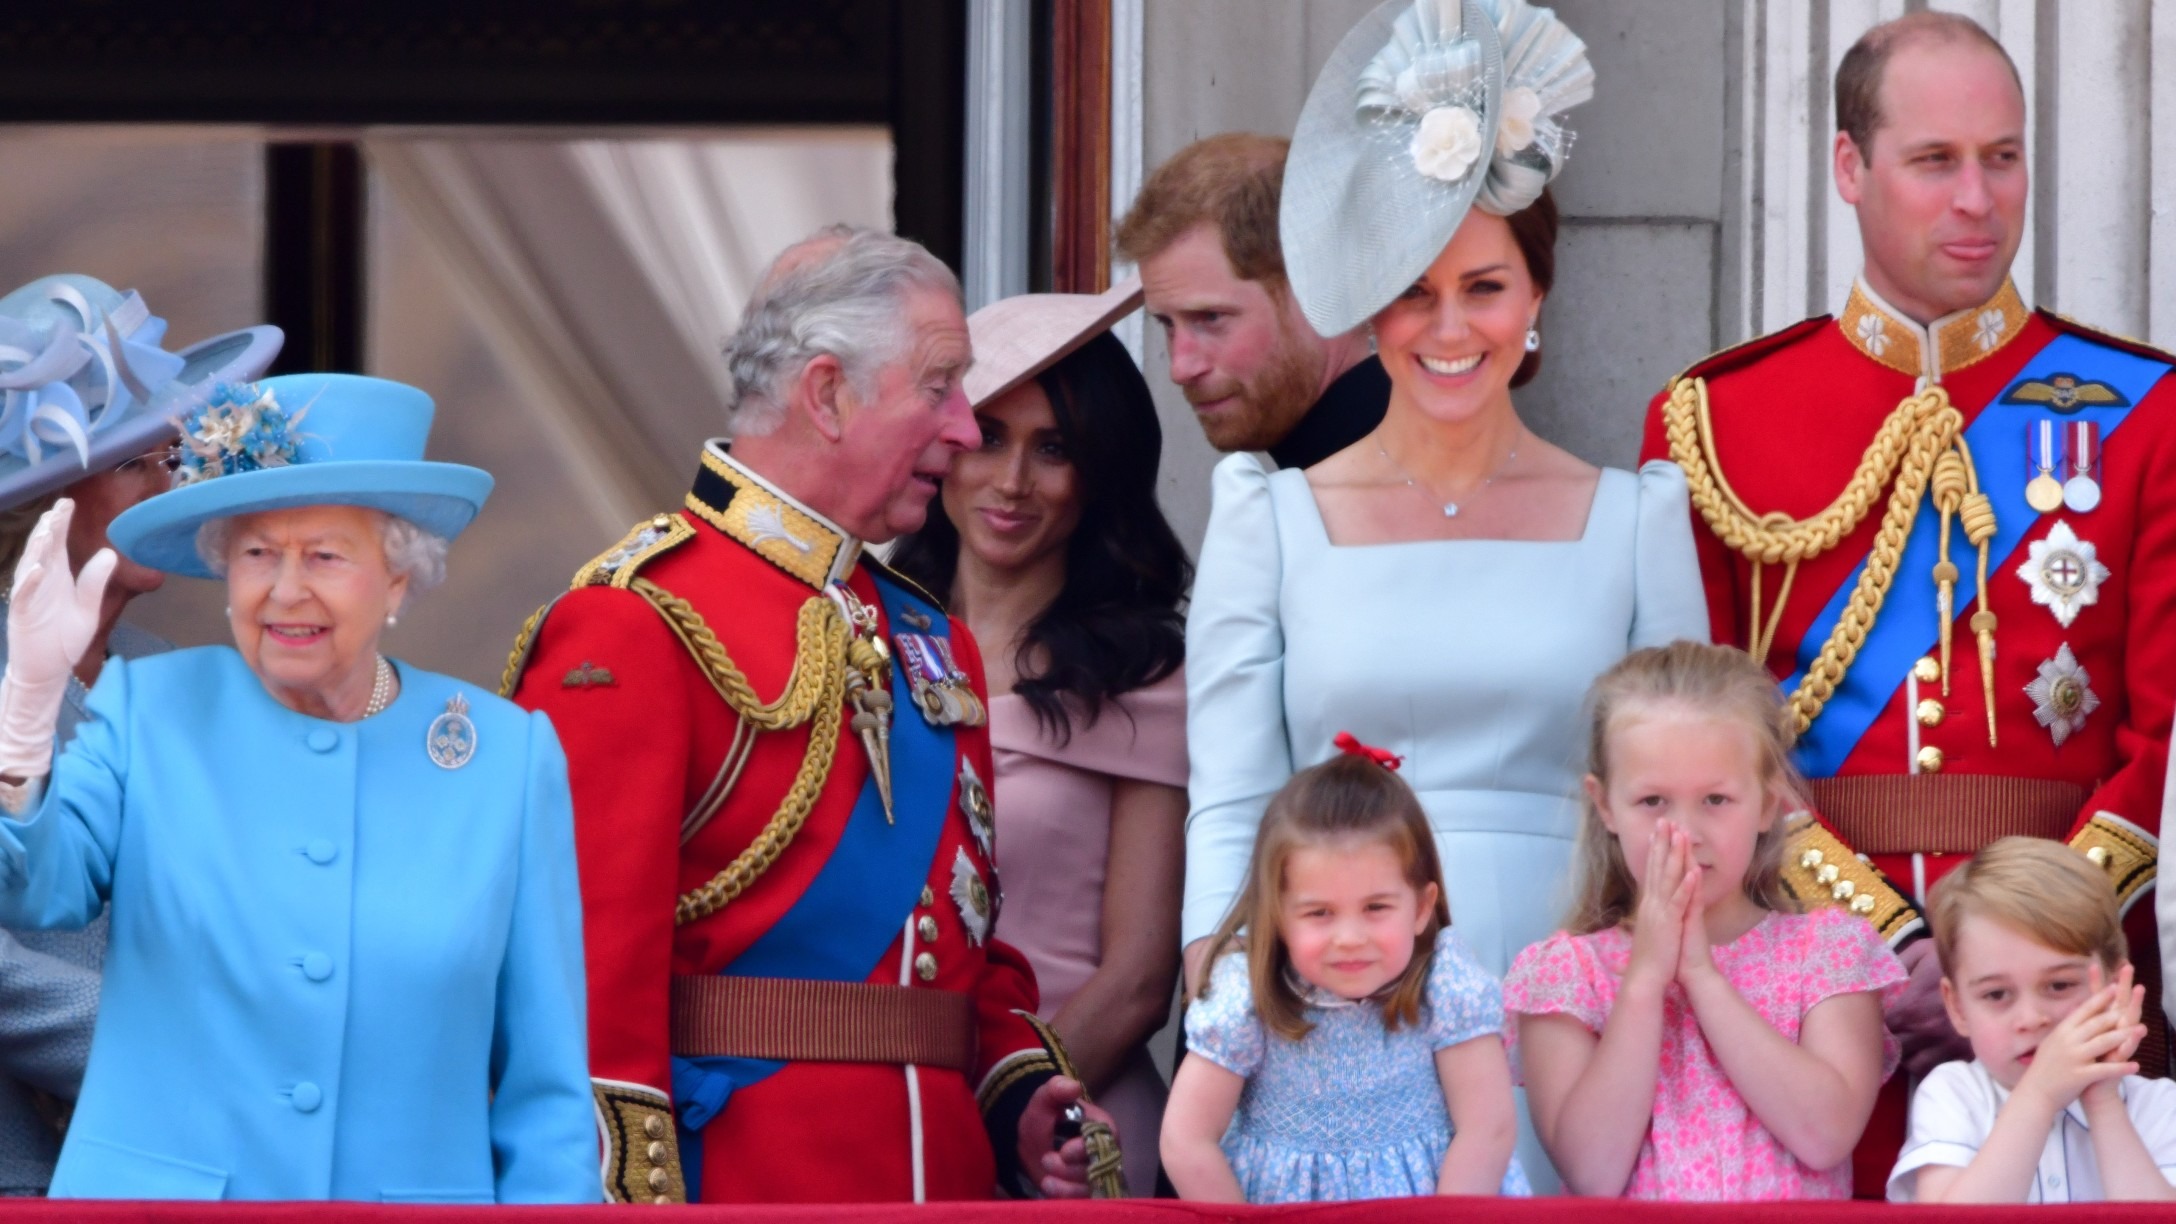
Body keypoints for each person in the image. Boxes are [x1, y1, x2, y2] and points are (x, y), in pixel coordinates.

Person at [1636, 10, 2176, 1189]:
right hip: (1812, 986)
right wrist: (1884, 948)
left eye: (2003, 155)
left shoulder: (2144, 410)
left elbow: (2152, 737)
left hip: (2066, 994)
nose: (1978, 198)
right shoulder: (1718, 421)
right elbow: (1704, 740)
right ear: (1848, 167)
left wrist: (2026, 955)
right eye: (1935, 161)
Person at [1181, 0, 1706, 1187]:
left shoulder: (1636, 520)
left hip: (1577, 995)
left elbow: (1676, 804)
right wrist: (1230, 995)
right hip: (1332, 1008)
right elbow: (1227, 802)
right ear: (1371, 310)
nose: (1449, 326)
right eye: (1413, 292)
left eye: (1484, 287)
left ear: (1535, 302)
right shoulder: (1270, 517)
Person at [505, 226, 1114, 1204]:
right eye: (939, 386)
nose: (964, 427)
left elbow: (956, 940)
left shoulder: (932, 641)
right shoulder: (638, 621)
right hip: (751, 1187)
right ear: (828, 393)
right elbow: (580, 978)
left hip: (945, 1184)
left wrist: (1016, 1091)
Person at [0, 373, 598, 1202]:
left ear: (398, 578)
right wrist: (27, 712)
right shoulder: (152, 710)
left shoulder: (504, 758)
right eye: (257, 554)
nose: (285, 590)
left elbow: (547, 1094)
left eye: (323, 555)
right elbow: (35, 889)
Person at [889, 280, 1189, 1197]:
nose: (1013, 482)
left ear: (1098, 476)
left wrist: (1010, 1111)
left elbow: (1141, 978)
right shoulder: (866, 644)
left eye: (1054, 449)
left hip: (1072, 1143)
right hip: (898, 1127)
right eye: (989, 436)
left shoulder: (1149, 677)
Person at [0, 273, 280, 1195]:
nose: (171, 488)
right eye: (137, 466)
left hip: (164, 1174)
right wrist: (158, 1056)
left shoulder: (159, 674)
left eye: (169, 458)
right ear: (43, 500)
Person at [1506, 641, 1907, 1200]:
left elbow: (1825, 1135)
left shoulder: (1828, 952)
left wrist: (1702, 976)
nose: (1685, 833)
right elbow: (1592, 1172)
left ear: (1768, 804)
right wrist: (1645, 979)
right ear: (1604, 806)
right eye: (1652, 802)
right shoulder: (1567, 974)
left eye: (1716, 800)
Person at [1162, 740, 1524, 1203]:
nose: (1350, 937)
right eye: (1319, 913)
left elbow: (1486, 1129)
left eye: (1375, 907)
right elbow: (1186, 1139)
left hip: (1431, 1209)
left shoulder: (1447, 989)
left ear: (1421, 907)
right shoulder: (1248, 1001)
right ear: (1276, 916)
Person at [1889, 837, 2174, 1203]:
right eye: (1996, 994)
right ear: (1958, 1008)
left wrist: (2104, 1103)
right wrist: (2039, 1095)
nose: (2031, 1018)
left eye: (2058, 985)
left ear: (2116, 987)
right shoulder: (1954, 1095)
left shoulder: (2159, 1106)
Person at [1115, 133, 1386, 468]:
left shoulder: (1414, 482)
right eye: (1167, 324)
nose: (1180, 368)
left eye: (1211, 318)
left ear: (1320, 288)